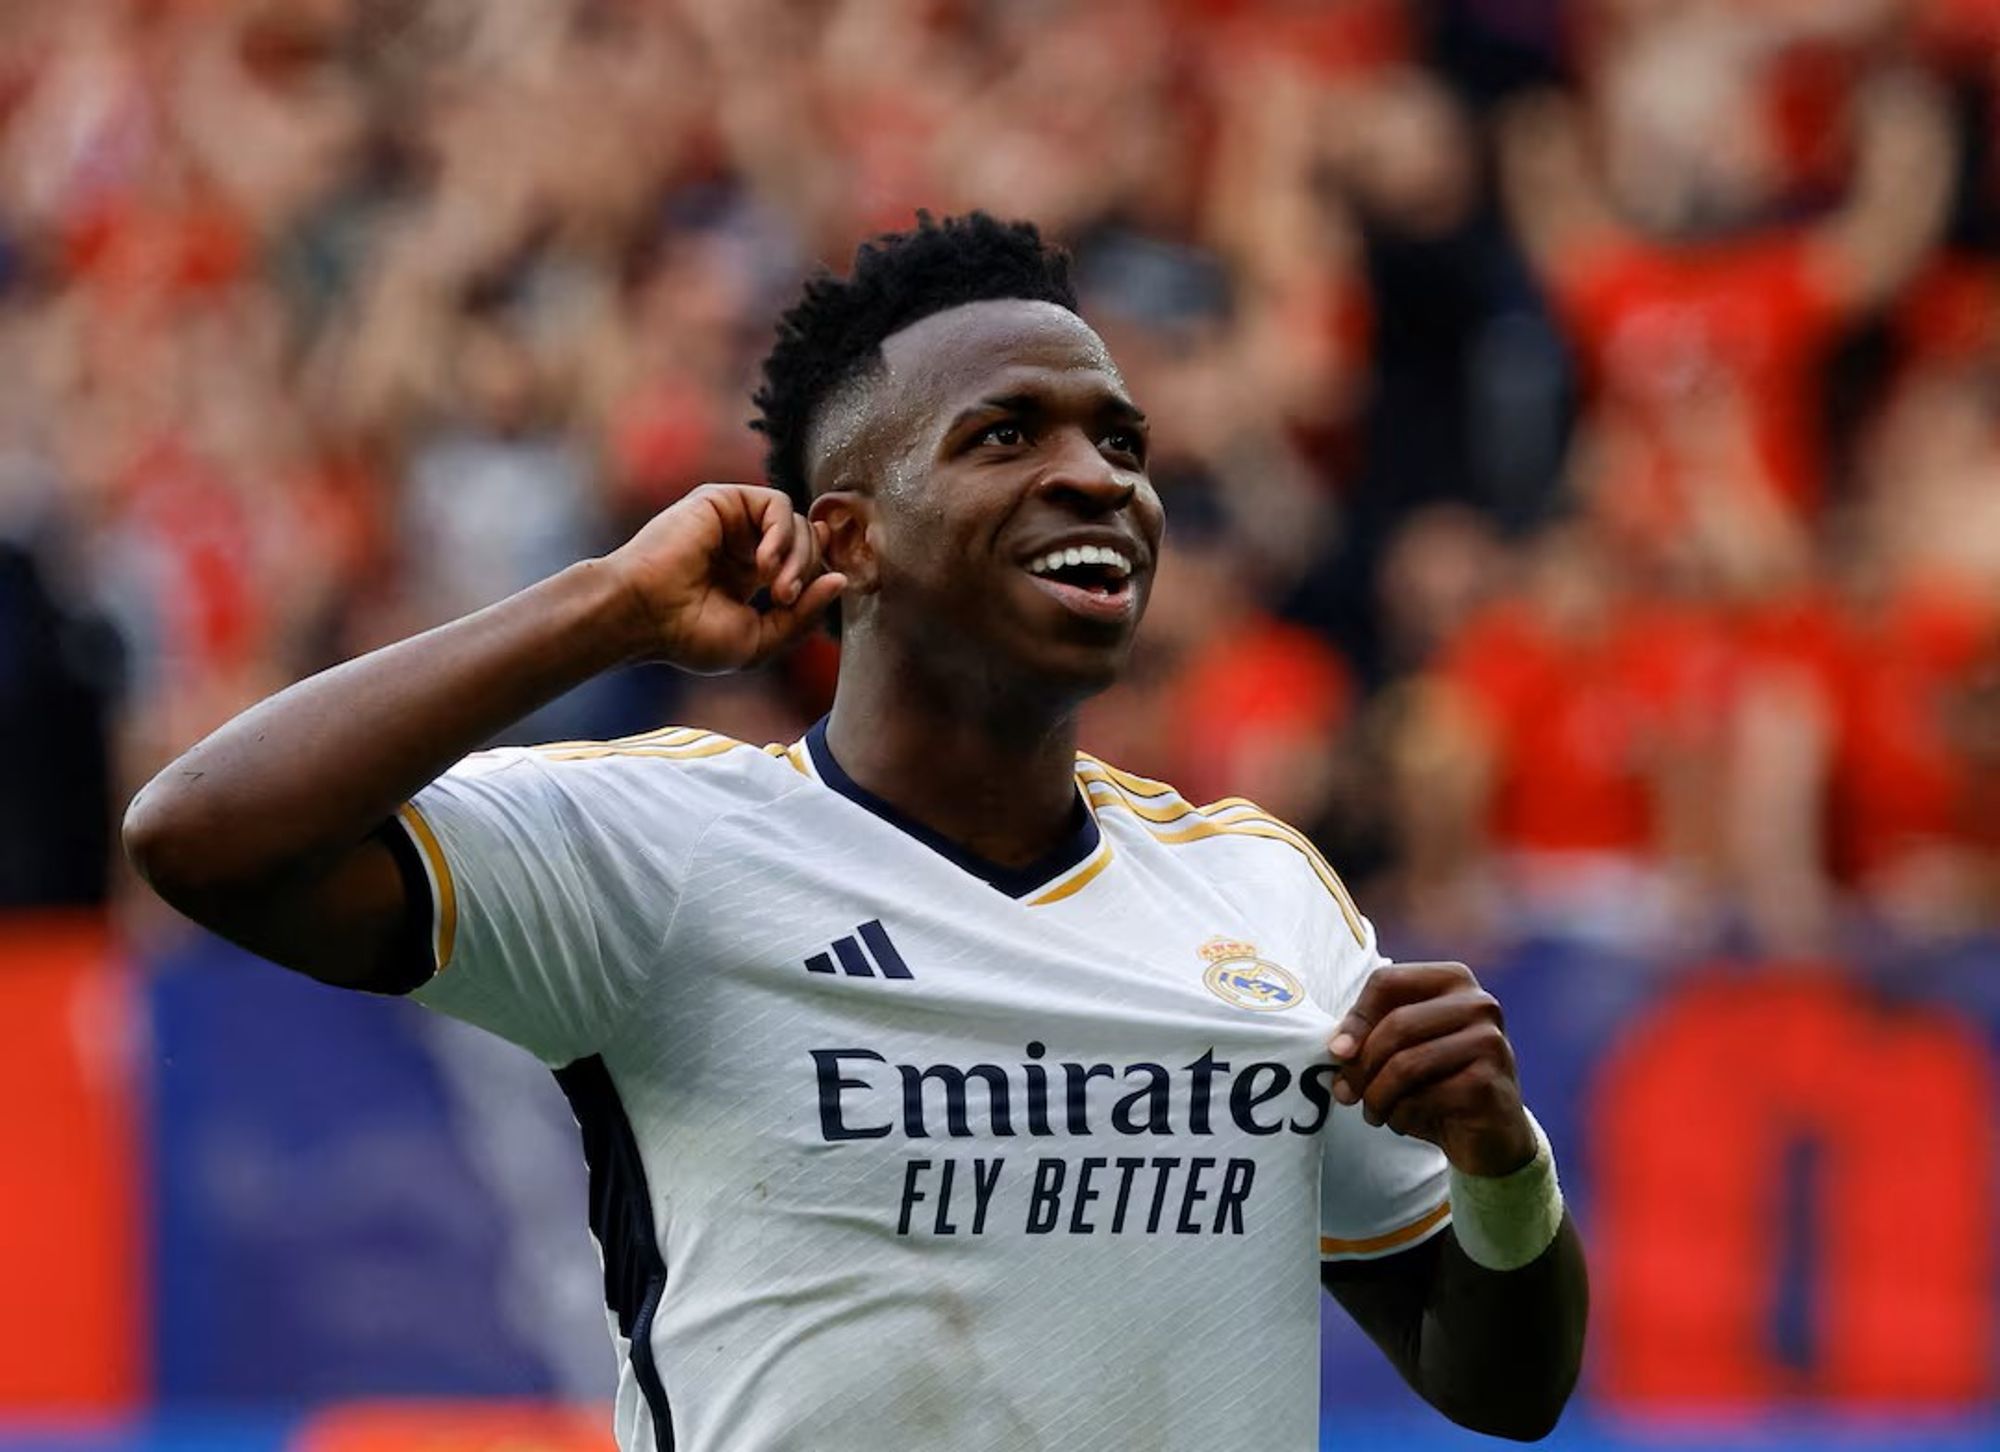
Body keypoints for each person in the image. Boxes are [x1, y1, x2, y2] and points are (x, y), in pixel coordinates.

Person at [125, 213, 1586, 1451]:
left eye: (1120, 440)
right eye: (1006, 434)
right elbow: (204, 834)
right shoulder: (666, 851)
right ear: (848, 538)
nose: (1102, 477)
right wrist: (607, 606)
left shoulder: (1260, 892)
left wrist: (1498, 1162)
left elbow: (1502, 1386)